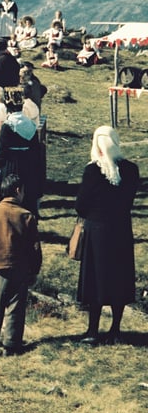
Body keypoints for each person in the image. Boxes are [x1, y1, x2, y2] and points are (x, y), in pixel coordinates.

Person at [76, 126, 140, 345]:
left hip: (97, 231)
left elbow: (80, 205)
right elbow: (129, 200)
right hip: (121, 229)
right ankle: (116, 329)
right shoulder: (131, 170)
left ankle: (93, 329)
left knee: (95, 278)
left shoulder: (93, 171)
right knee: (119, 278)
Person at [0, 174, 42, 356]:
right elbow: (35, 247)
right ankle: (11, 346)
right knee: (16, 308)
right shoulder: (26, 216)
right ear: (18, 190)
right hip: (20, 268)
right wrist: (34, 270)